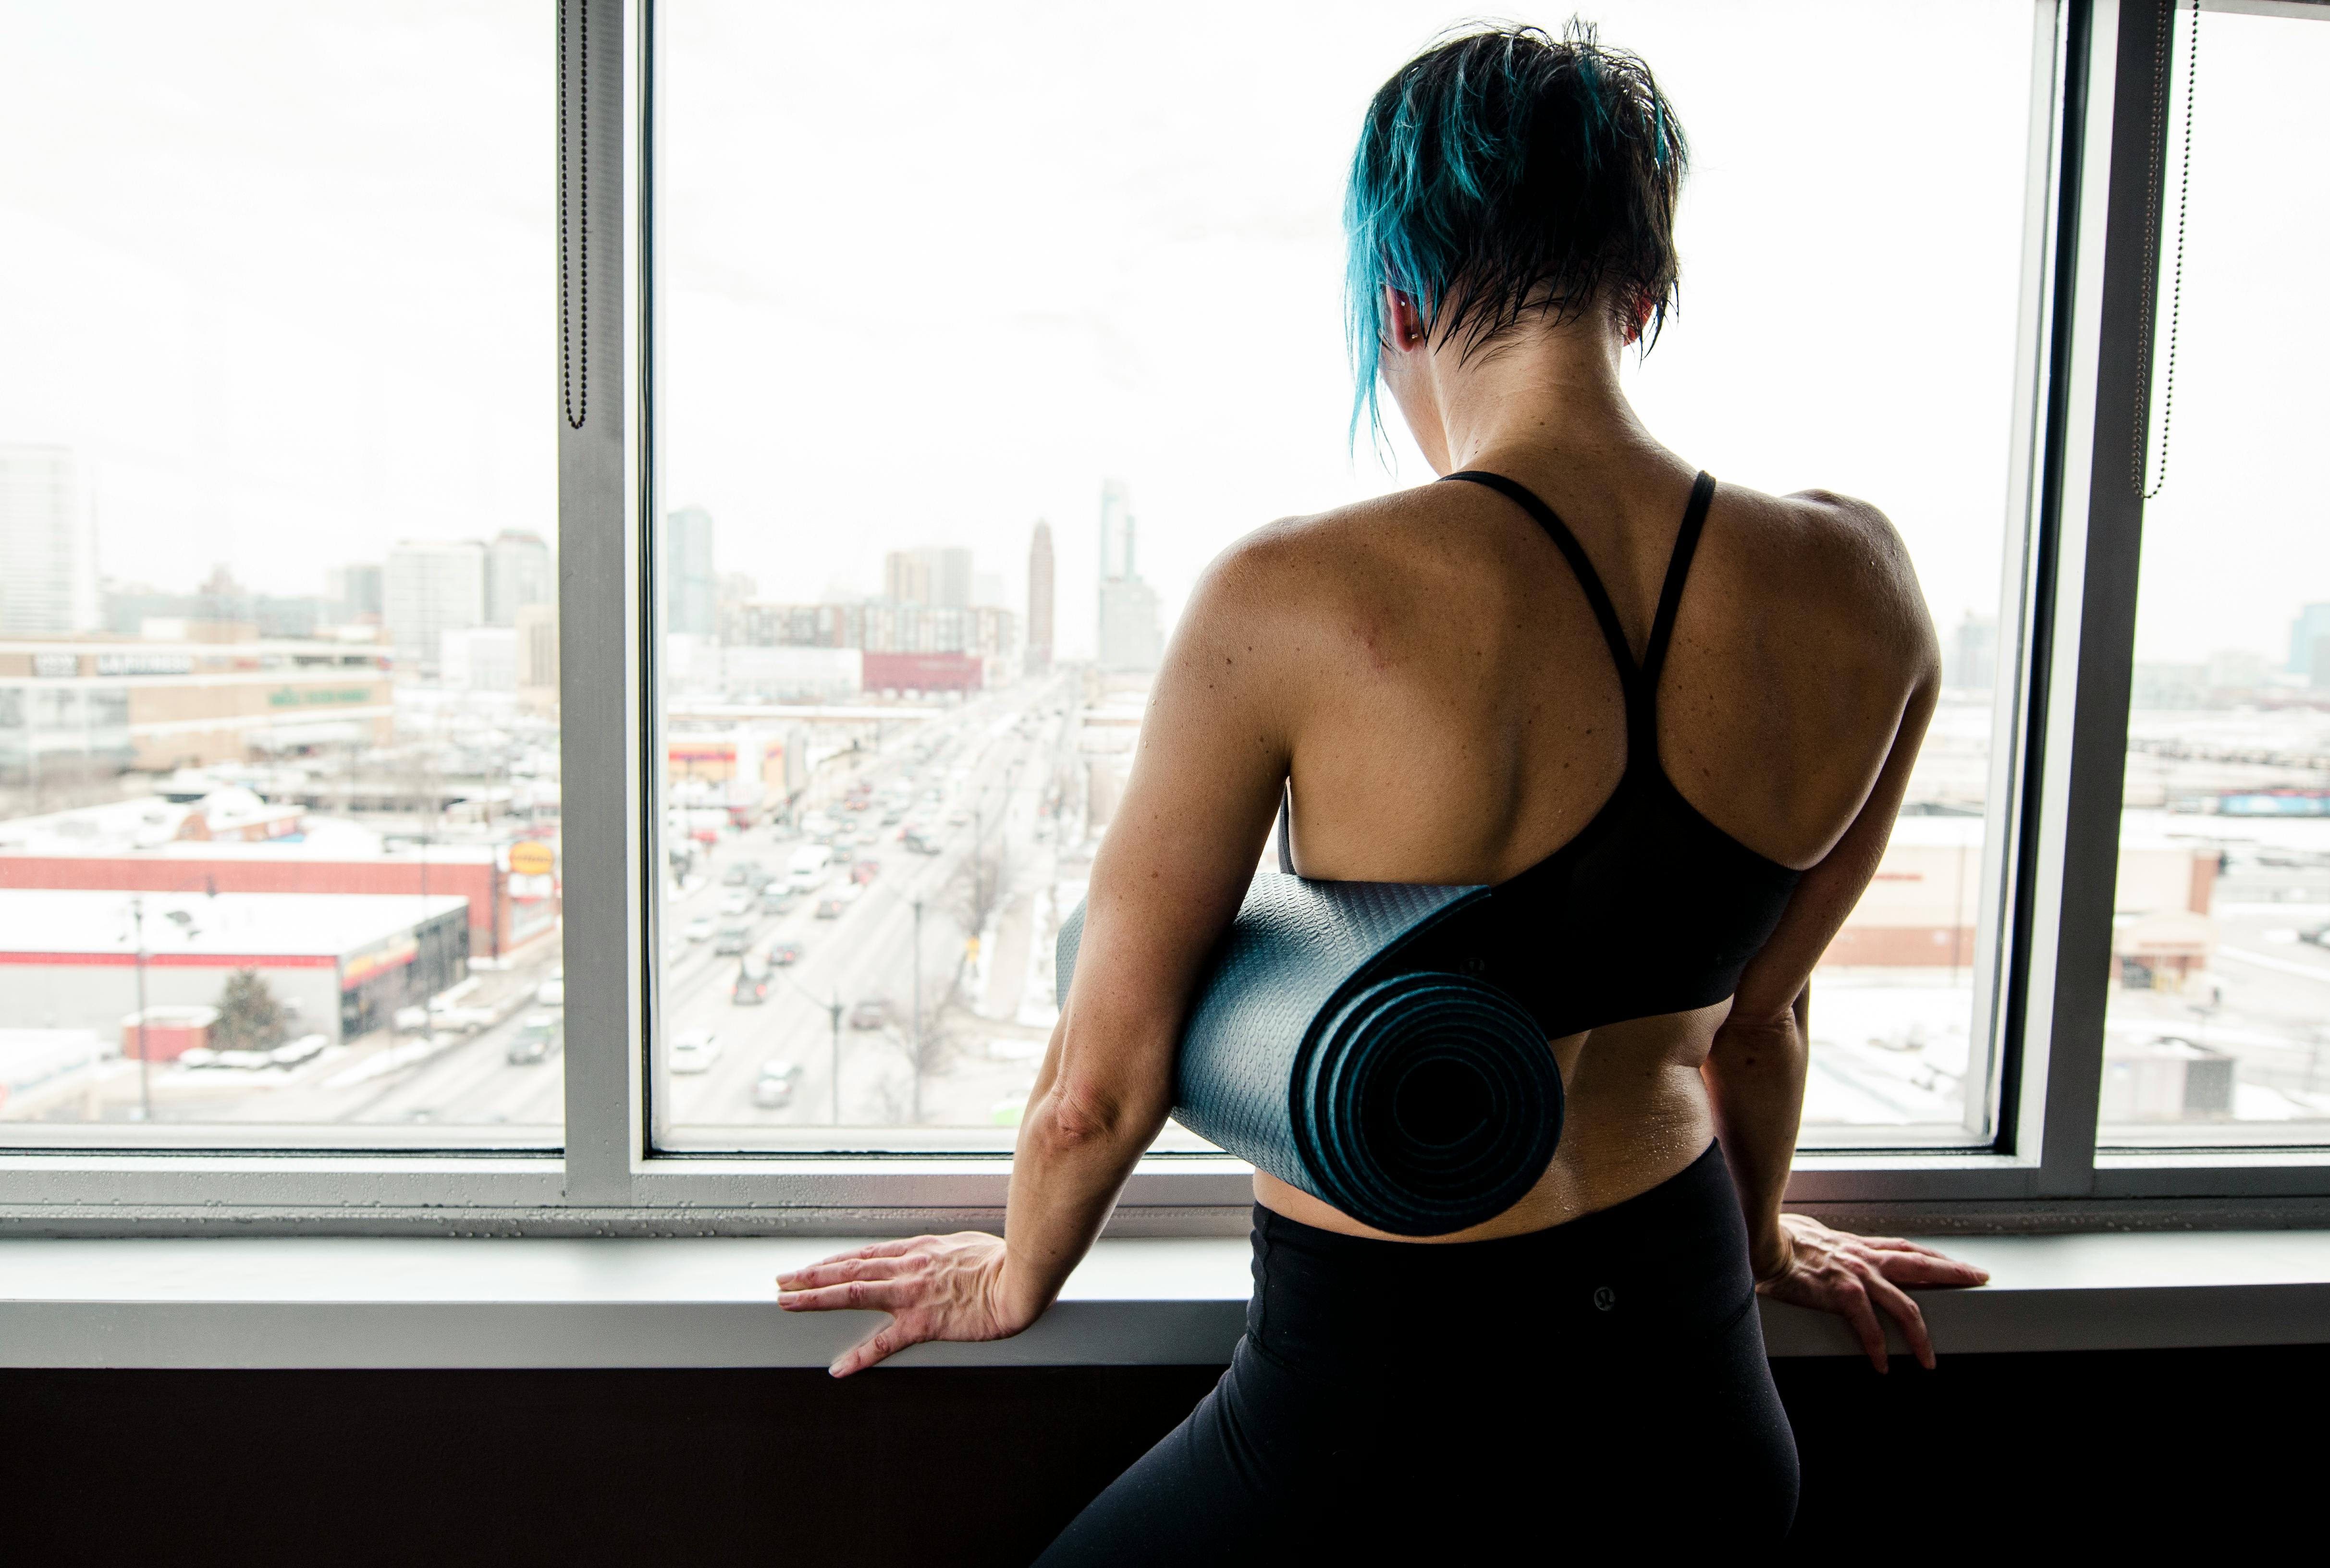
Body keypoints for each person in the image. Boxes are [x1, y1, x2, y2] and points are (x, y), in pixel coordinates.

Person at [777, 19, 1989, 1557]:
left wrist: (1021, 1271)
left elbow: (1103, 1074)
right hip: (1701, 1408)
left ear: (1397, 297)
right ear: (1648, 287)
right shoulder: (1866, 582)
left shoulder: (1292, 597)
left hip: (1384, 1426)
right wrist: (1759, 1242)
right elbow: (1765, 1018)